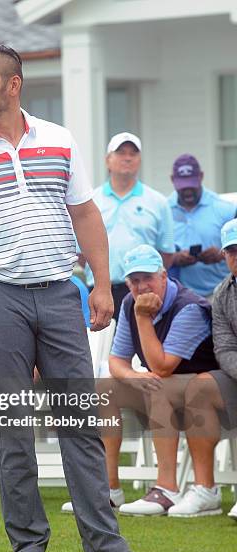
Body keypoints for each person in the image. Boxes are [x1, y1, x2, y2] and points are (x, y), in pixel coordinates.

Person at [0, 44, 169, 552]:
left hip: (61, 292)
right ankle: (27, 550)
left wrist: (101, 286)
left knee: (79, 422)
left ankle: (105, 550)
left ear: (13, 85)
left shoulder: (59, 140)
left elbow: (85, 213)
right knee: (15, 424)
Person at [101, 244, 220, 517]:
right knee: (106, 388)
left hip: (205, 387)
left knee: (157, 385)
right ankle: (108, 490)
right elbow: (117, 362)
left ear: (164, 276)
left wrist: (143, 318)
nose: (141, 287)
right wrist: (134, 376)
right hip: (166, 385)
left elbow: (163, 366)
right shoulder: (130, 302)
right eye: (134, 280)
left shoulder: (189, 306)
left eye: (148, 278)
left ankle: (166, 489)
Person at [84, 132, 175, 319]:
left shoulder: (158, 201)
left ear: (139, 160)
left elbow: (166, 253)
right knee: (103, 347)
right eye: (121, 152)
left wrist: (146, 280)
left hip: (144, 292)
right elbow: (81, 252)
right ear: (108, 160)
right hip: (101, 291)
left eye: (133, 153)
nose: (127, 158)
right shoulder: (90, 200)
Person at [182, 219, 237, 519]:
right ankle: (206, 490)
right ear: (225, 256)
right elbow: (225, 349)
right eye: (232, 251)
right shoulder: (222, 293)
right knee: (200, 387)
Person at [168, 154, 237, 299]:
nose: (187, 191)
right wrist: (174, 258)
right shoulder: (163, 210)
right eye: (183, 187)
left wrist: (221, 255)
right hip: (180, 296)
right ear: (172, 180)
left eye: (192, 185)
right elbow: (153, 252)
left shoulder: (226, 209)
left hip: (221, 293)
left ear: (201, 176)